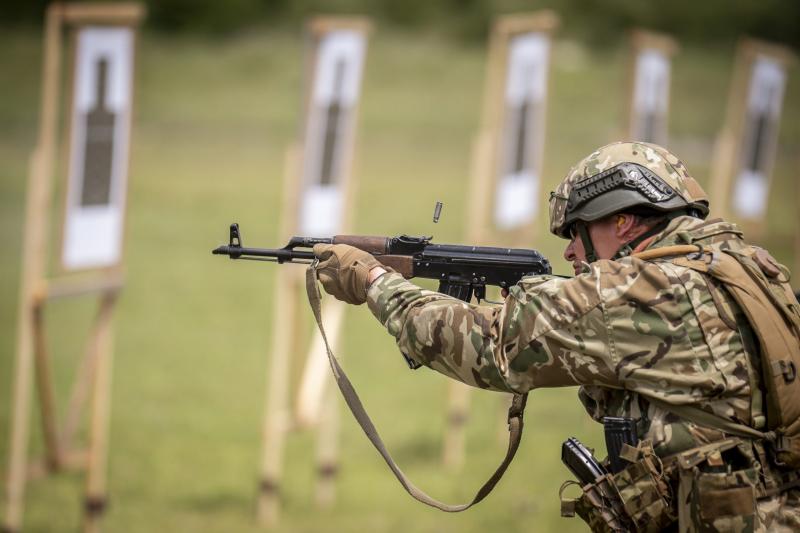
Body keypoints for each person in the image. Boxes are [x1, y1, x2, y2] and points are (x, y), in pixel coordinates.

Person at [311, 142, 800, 531]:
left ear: (623, 221)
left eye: (577, 231)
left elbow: (488, 348)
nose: (569, 253)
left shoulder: (638, 291)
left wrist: (374, 281)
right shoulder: (750, 268)